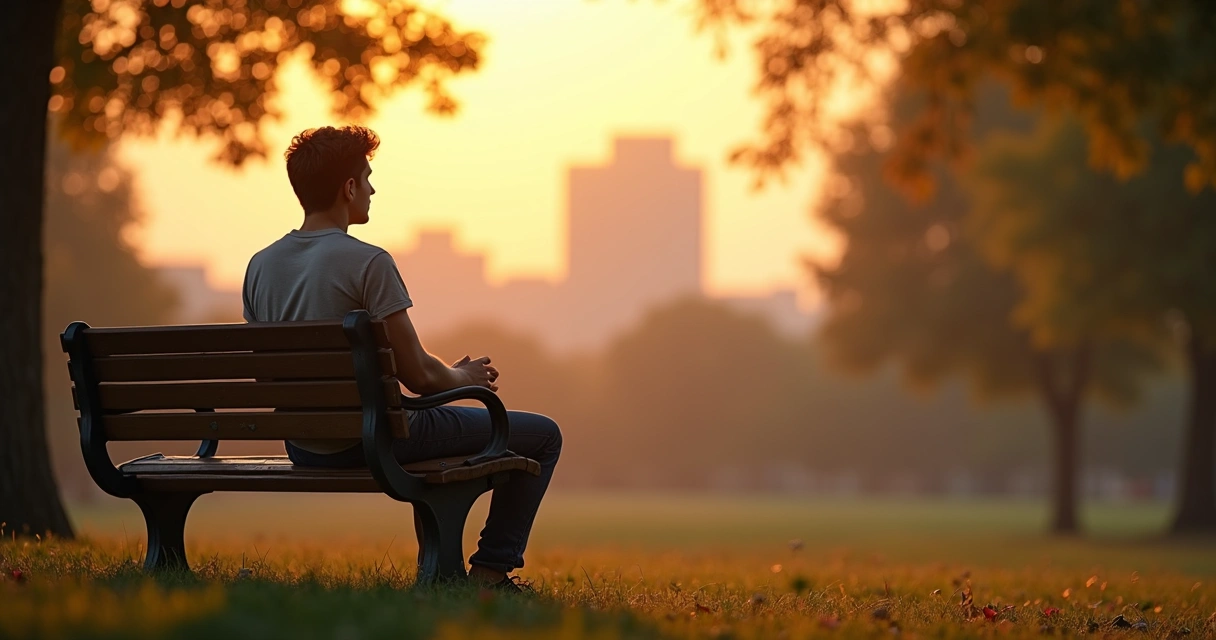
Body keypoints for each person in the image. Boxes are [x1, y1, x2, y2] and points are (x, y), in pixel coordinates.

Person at [242, 125, 562, 591]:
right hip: (372, 441)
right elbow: (421, 377)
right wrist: (464, 374)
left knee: (430, 430)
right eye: (367, 178)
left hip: (304, 444)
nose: (372, 189)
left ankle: (450, 565)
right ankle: (492, 571)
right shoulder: (368, 262)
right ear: (347, 188)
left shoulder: (260, 265)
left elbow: (265, 374)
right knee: (542, 435)